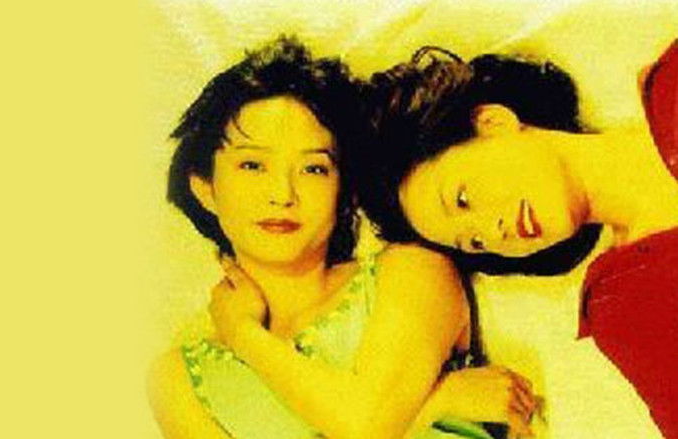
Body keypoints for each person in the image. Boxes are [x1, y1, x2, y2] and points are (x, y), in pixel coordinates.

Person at [148, 37, 536, 439]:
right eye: (252, 165)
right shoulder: (179, 380)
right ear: (206, 189)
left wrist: (245, 335)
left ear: (343, 189)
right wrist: (435, 404)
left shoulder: (411, 271)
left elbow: (366, 426)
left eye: (314, 169)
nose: (282, 194)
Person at [362, 41, 678, 438]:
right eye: (474, 242)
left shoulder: (669, 84)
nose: (494, 232)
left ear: (492, 123)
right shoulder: (625, 300)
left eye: (463, 199)